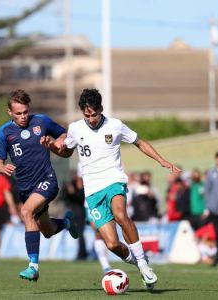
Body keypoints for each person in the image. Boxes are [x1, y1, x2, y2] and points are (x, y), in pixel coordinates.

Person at [48, 88, 180, 290]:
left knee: (120, 214)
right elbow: (66, 152)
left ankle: (144, 265)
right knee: (111, 244)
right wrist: (51, 147)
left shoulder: (115, 125)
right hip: (92, 191)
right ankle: (138, 261)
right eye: (87, 115)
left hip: (113, 180)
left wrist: (161, 160)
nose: (91, 119)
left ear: (101, 109)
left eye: (94, 114)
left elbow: (139, 142)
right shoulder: (75, 128)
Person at [0, 89, 79, 282]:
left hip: (46, 181)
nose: (23, 116)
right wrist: (2, 168)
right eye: (18, 113)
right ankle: (66, 222)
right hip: (25, 189)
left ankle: (33, 267)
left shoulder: (42, 121)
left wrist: (56, 142)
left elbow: (63, 134)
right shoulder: (4, 132)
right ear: (10, 112)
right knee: (47, 231)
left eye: (25, 112)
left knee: (26, 213)